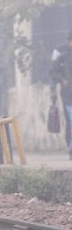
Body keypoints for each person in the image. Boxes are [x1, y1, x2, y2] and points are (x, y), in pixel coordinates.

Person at [50, 30, 72, 158]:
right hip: (68, 95)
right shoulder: (61, 57)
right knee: (71, 121)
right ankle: (71, 147)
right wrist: (61, 80)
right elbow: (52, 73)